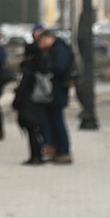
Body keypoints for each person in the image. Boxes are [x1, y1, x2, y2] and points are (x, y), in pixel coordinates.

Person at [38, 29, 75, 164]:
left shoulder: (59, 50)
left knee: (57, 122)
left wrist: (47, 67)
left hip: (57, 92)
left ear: (50, 38)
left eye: (42, 41)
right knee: (52, 122)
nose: (40, 44)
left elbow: (60, 68)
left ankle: (64, 151)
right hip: (53, 92)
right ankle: (56, 149)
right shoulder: (54, 50)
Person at [13, 35, 47, 165]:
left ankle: (35, 156)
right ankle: (39, 154)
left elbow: (23, 87)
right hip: (40, 100)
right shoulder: (43, 64)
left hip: (28, 101)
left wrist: (16, 101)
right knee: (37, 129)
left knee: (31, 129)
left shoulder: (28, 67)